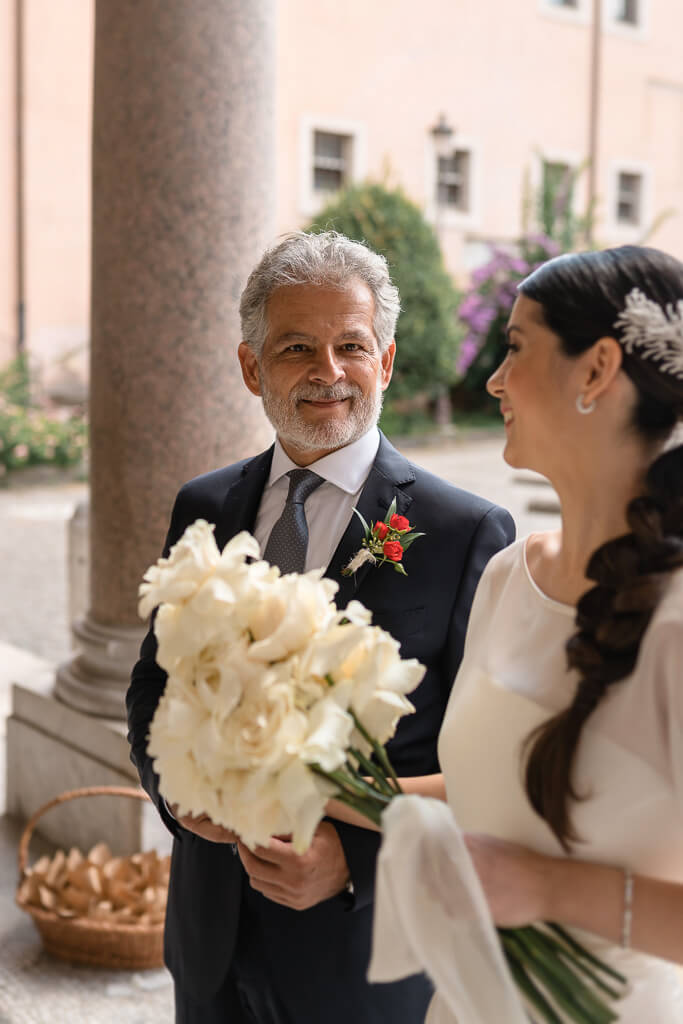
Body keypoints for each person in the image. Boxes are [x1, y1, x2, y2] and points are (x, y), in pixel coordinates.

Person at [126, 230, 515, 1024]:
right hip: (209, 938)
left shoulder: (466, 529)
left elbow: (490, 768)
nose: (327, 372)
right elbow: (152, 685)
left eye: (351, 345)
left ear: (388, 360)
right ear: (250, 367)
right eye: (297, 347)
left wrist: (356, 866)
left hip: (361, 956)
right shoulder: (204, 505)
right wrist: (177, 796)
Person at [335, 244, 683, 1021]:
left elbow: (525, 863)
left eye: (516, 347)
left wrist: (553, 889)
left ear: (595, 370)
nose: (491, 379)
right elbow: (488, 797)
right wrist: (308, 781)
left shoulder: (676, 624)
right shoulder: (506, 576)